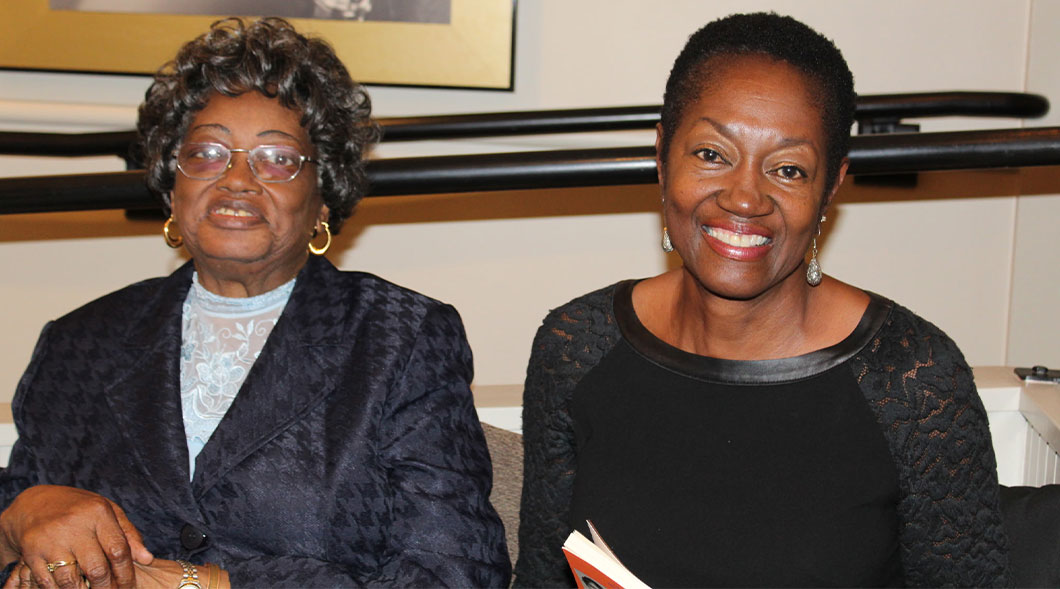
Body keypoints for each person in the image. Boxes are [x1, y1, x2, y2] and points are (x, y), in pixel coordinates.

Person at [0, 17, 510, 589]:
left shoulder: (401, 338)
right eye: (208, 152)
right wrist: (16, 521)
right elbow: (20, 544)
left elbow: (458, 571)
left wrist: (201, 584)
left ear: (323, 199)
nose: (237, 178)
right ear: (174, 186)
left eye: (277, 158)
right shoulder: (79, 342)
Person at [514, 12, 1008, 588]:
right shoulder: (576, 348)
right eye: (711, 155)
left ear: (830, 190)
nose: (745, 198)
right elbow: (543, 578)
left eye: (789, 169)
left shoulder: (913, 381)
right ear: (661, 156)